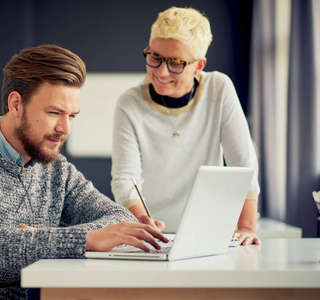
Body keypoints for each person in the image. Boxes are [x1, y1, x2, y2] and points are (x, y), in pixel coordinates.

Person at [0, 44, 167, 299]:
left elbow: (117, 218)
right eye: (54, 113)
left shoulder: (58, 171)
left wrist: (40, 238)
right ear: (15, 104)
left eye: (71, 116)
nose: (65, 129)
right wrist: (85, 239)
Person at [111, 7, 260, 246]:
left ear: (199, 65)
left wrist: (247, 227)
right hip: (154, 235)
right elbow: (125, 179)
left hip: (210, 231)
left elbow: (243, 163)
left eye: (176, 63)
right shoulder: (129, 104)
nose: (161, 71)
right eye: (154, 57)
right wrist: (144, 222)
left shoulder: (219, 88)